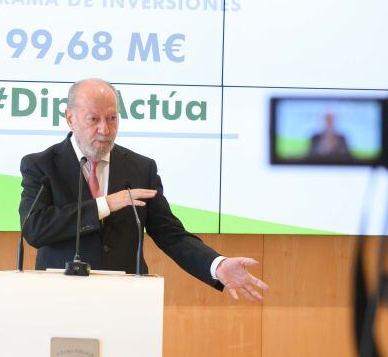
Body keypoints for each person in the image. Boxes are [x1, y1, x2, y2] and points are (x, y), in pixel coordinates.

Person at [19, 78, 268, 301]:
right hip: (59, 297)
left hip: (126, 300)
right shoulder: (41, 165)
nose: (105, 129)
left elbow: (171, 234)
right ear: (70, 118)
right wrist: (105, 205)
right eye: (93, 119)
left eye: (112, 118)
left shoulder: (140, 168)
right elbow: (35, 229)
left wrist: (216, 265)